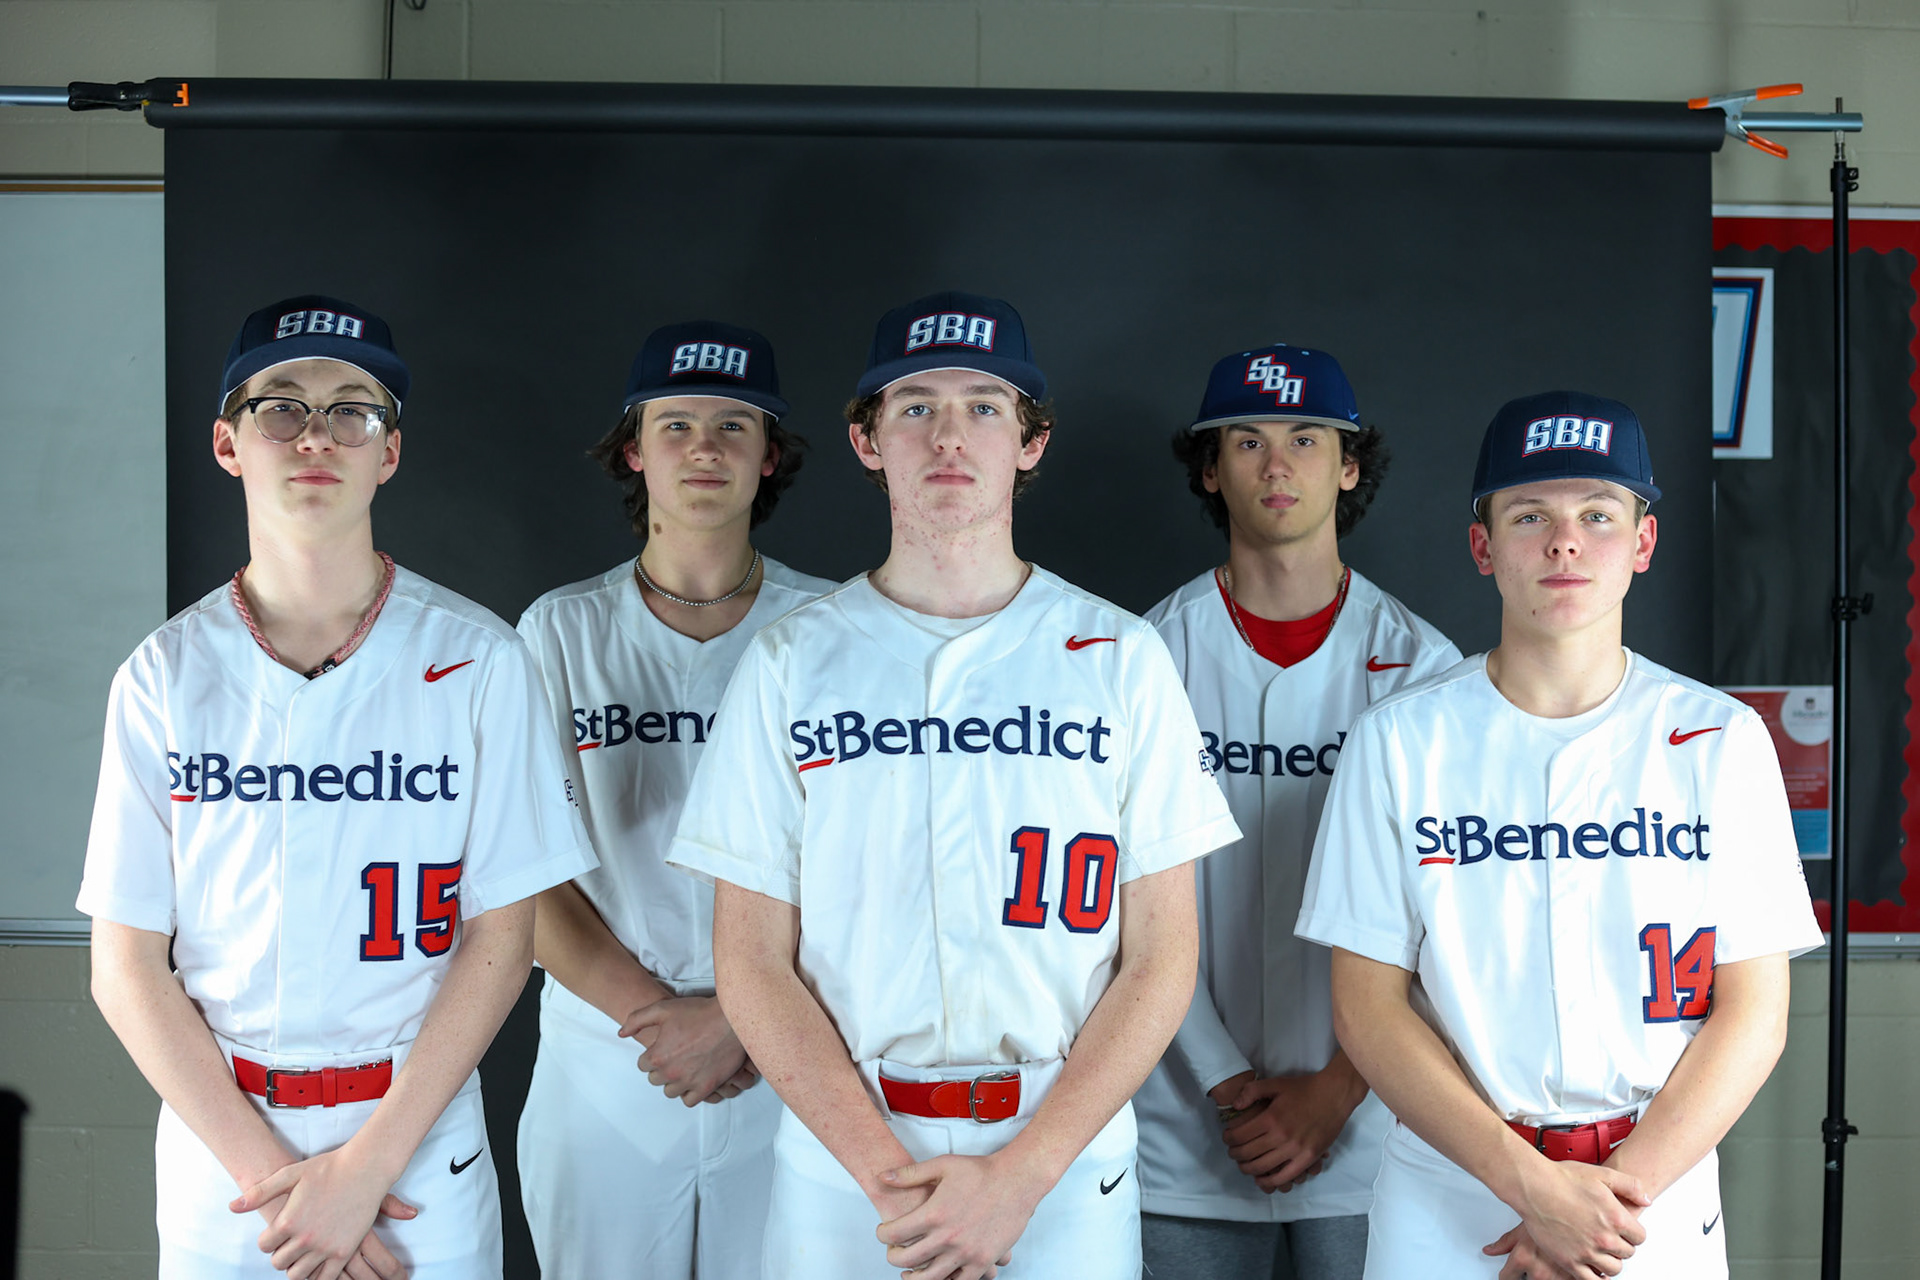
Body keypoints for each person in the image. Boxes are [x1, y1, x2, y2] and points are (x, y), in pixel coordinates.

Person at [667, 290, 1241, 1280]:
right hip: (846, 1147)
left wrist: (1022, 1175)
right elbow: (752, 959)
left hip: (1060, 1150)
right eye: (915, 405)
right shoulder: (791, 659)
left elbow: (1161, 957)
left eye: (984, 405)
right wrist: (891, 1180)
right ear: (866, 439)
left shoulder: (1120, 654)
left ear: (1031, 440)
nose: (948, 434)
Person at [78, 295, 598, 1280]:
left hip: (414, 1144)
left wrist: (365, 1170)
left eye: (351, 409)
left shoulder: (478, 658)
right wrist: (280, 1179)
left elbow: (503, 934)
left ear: (387, 453)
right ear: (229, 444)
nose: (315, 433)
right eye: (281, 405)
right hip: (222, 1140)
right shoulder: (163, 673)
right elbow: (125, 965)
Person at [1297, 391, 1821, 1279]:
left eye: (1599, 514)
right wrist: (1533, 1189)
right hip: (1454, 1187)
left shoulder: (1720, 738)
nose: (1565, 542)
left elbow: (1756, 1013)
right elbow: (1367, 1008)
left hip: (1656, 1191)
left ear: (1644, 543)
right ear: (1483, 544)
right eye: (1530, 513)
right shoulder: (1399, 740)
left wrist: (1607, 1204)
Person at [513, 320, 834, 1278]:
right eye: (677, 424)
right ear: (633, 451)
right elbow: (520, 870)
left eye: (735, 426)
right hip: (608, 1047)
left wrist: (740, 1019)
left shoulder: (834, 625)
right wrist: (662, 1018)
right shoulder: (558, 631)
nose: (705, 447)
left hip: (795, 1043)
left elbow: (868, 862)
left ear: (770, 458)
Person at [1136, 343, 1459, 1279]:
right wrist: (1226, 1083)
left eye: (1307, 438)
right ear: (1210, 468)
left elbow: (1445, 914)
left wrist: (1336, 1090)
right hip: (1184, 1116)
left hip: (1375, 1117)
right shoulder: (1144, 656)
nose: (1278, 465)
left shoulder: (1425, 670)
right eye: (1247, 440)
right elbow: (1120, 899)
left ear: (1349, 465)